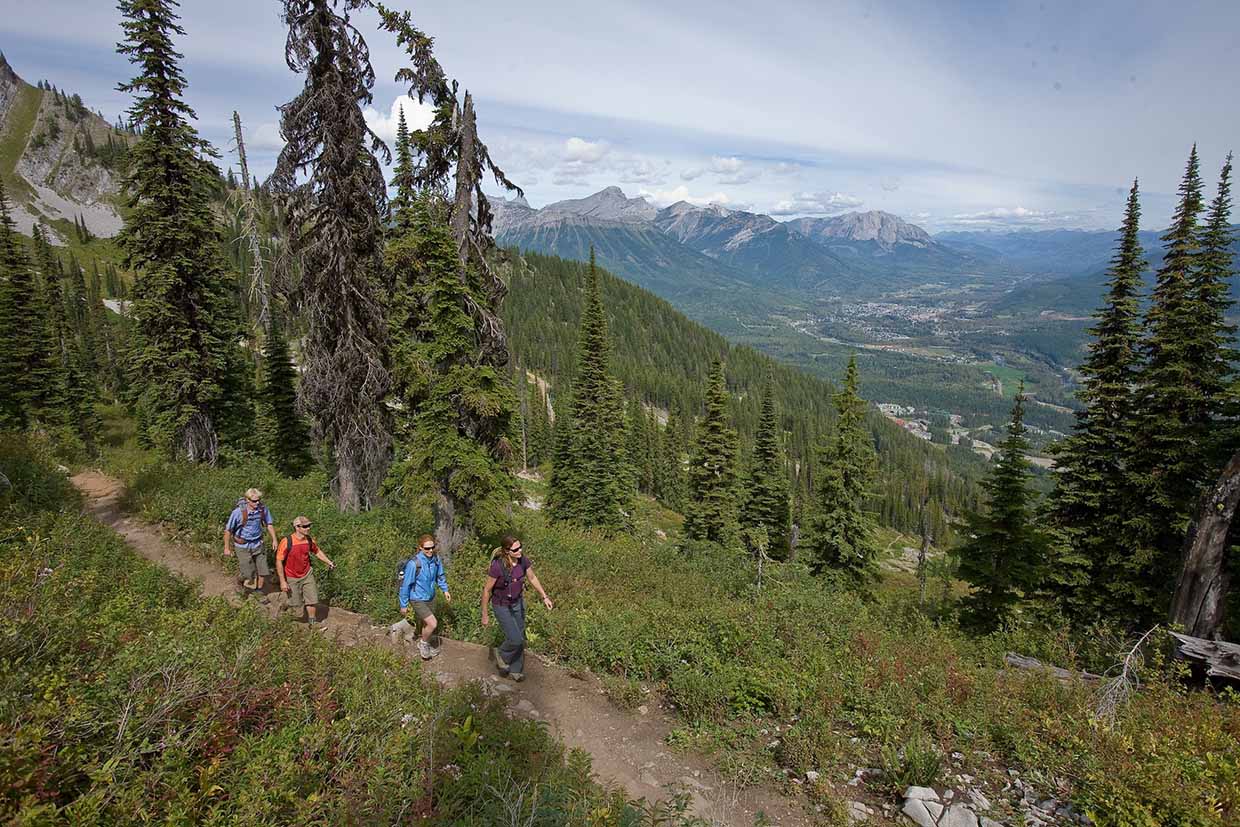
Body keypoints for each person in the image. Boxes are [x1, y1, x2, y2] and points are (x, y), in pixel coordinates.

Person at [481, 535, 553, 682]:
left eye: (520, 547)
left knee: (520, 636)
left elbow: (532, 578)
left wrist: (544, 596)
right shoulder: (497, 566)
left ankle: (516, 670)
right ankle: (501, 653)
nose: (520, 551)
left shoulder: (523, 561)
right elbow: (487, 590)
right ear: (507, 551)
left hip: (517, 602)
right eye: (516, 549)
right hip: (501, 605)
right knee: (515, 639)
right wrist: (485, 614)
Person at [390, 534, 452, 660]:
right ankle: (423, 644)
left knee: (425, 623)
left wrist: (445, 590)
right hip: (416, 598)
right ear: (420, 548)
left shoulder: (436, 560)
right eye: (426, 548)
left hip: (430, 596)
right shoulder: (414, 564)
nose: (430, 551)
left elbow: (440, 576)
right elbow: (406, 585)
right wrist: (403, 604)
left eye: (432, 548)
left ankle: (425, 642)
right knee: (433, 623)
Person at [276, 516, 336, 628]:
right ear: (297, 527)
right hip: (291, 576)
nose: (308, 528)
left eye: (309, 525)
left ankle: (312, 624)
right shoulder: (286, 542)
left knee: (312, 600)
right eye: (305, 526)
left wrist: (329, 562)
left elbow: (317, 551)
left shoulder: (309, 540)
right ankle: (284, 606)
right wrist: (282, 581)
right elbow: (279, 561)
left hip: (307, 573)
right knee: (296, 604)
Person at [224, 488, 277, 595]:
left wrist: (274, 540)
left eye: (259, 500)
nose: (257, 503)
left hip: (258, 543)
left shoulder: (262, 509)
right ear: (247, 500)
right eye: (254, 501)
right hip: (242, 545)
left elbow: (269, 524)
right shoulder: (238, 512)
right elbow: (228, 531)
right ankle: (242, 581)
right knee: (249, 573)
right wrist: (226, 548)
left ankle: (258, 591)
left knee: (263, 570)